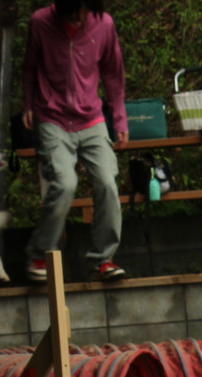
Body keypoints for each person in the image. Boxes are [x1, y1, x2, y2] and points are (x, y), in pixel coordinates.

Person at [21, 0, 128, 284]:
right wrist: (28, 105)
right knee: (65, 183)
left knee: (107, 181)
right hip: (52, 118)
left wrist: (119, 118)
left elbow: (113, 73)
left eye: (84, 11)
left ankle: (102, 260)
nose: (79, 18)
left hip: (91, 118)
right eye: (73, 12)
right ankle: (39, 254)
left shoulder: (103, 24)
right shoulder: (40, 23)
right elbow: (30, 67)